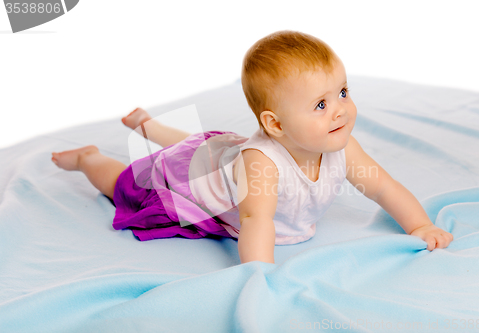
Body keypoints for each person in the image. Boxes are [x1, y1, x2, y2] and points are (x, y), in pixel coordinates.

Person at [51, 30, 453, 264]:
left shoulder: (342, 147)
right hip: (193, 182)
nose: (340, 111)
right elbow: (257, 222)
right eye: (320, 104)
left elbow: (383, 186)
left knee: (201, 144)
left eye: (343, 92)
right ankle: (89, 158)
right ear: (275, 124)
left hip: (220, 156)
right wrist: (259, 275)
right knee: (126, 184)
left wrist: (420, 225)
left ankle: (150, 125)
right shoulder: (262, 165)